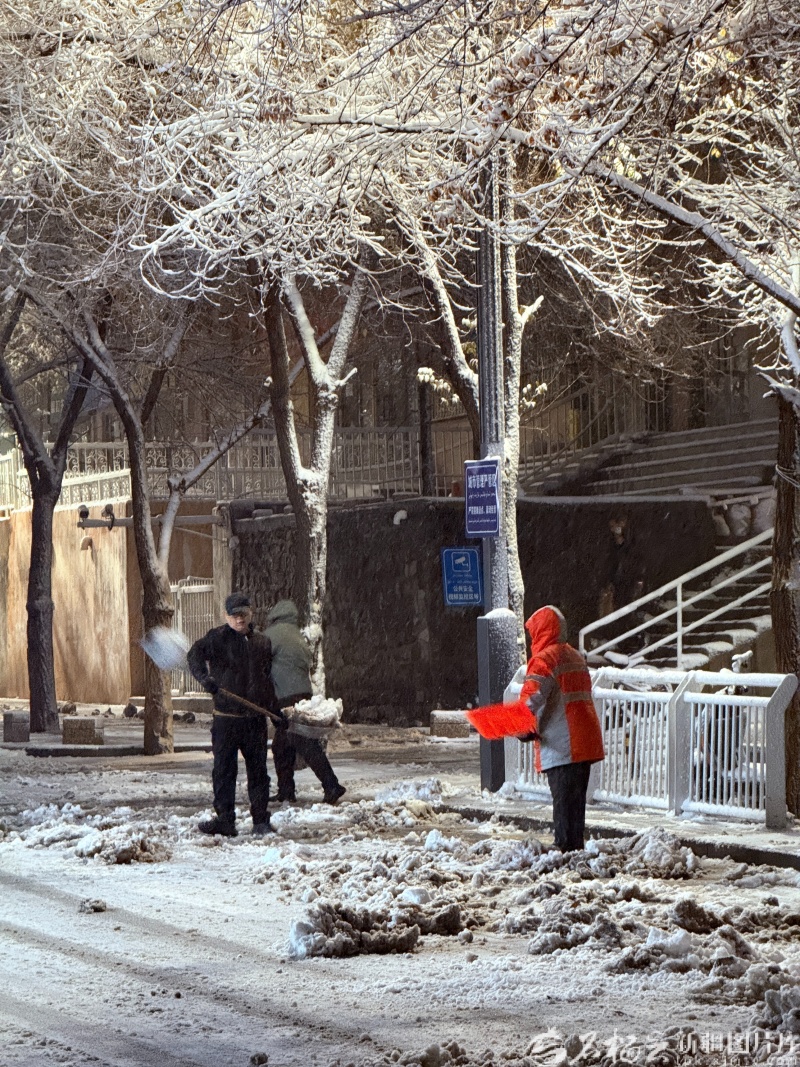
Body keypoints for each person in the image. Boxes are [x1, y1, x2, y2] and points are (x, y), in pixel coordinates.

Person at [187, 592, 278, 837]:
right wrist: (205, 679)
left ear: (251, 614)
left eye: (244, 614)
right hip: (225, 718)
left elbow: (267, 681)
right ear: (226, 616)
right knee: (224, 771)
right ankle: (225, 820)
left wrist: (276, 712)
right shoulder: (216, 639)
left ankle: (261, 820)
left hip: (253, 720)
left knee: (259, 772)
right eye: (234, 615)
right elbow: (193, 656)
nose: (239, 619)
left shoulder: (262, 643)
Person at [518, 605, 605, 852]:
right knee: (575, 810)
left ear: (541, 631)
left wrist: (520, 727)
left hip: (561, 745)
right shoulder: (575, 656)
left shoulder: (544, 659)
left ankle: (565, 859)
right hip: (584, 742)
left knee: (564, 809)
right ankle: (575, 852)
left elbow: (530, 700)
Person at [264, 599, 346, 806]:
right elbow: (308, 663)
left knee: (305, 744)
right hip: (303, 694)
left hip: (284, 696)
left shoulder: (271, 636)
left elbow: (260, 664)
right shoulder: (299, 637)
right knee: (282, 746)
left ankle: (331, 785)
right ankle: (286, 790)